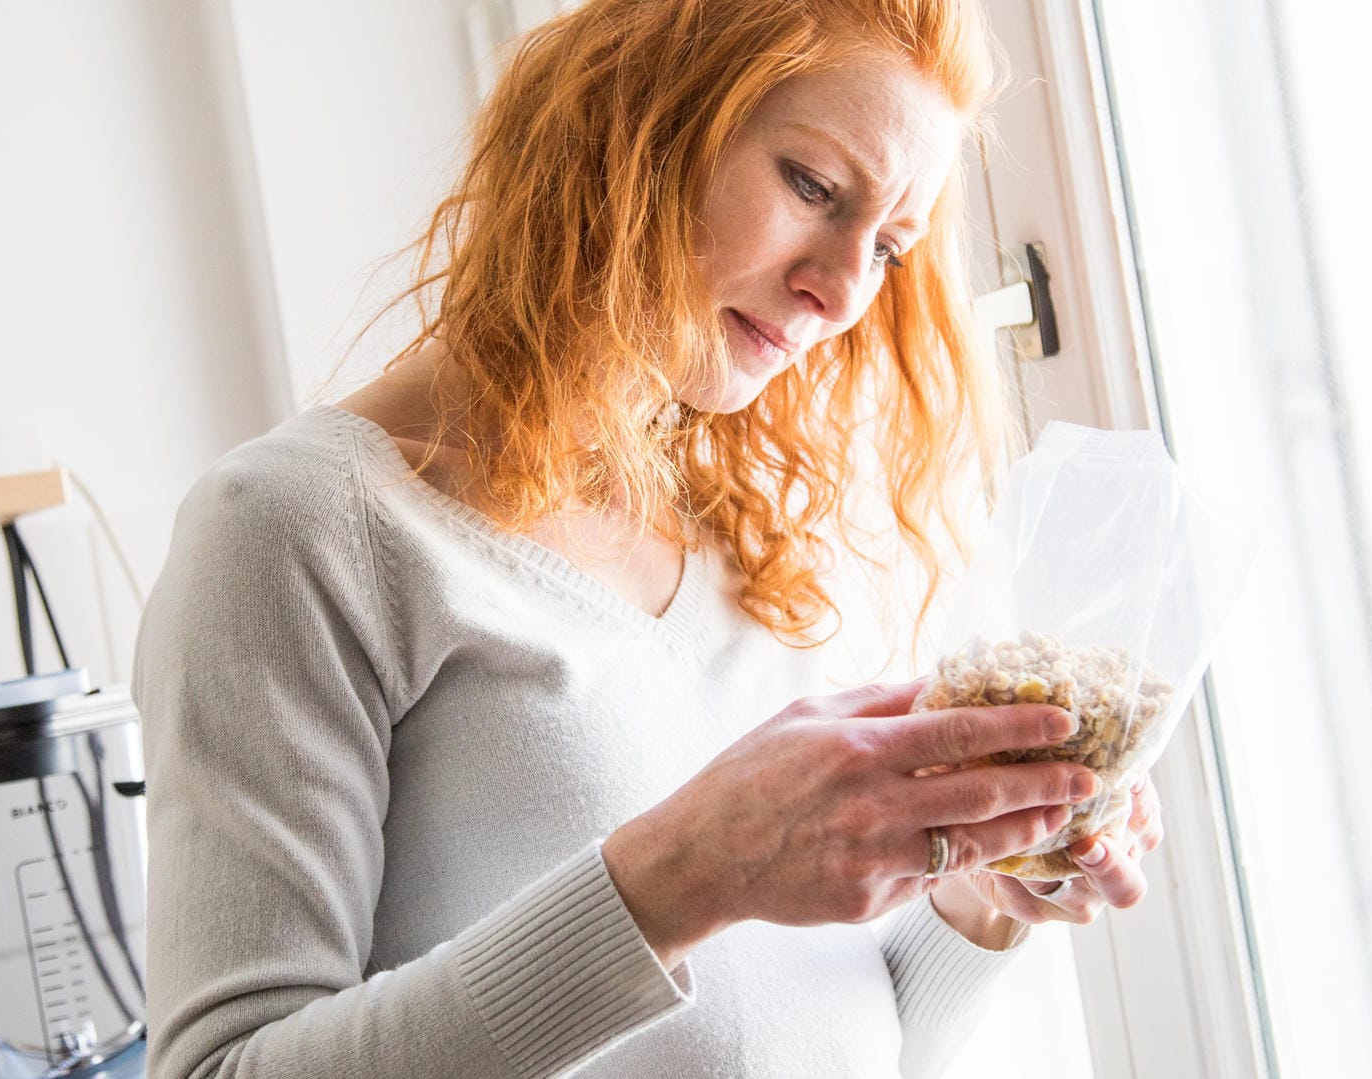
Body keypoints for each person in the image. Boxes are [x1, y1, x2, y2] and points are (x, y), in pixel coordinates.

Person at [133, 1, 1166, 1076]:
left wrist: (980, 895)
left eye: (892, 248)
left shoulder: (755, 533)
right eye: (812, 186)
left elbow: (814, 1040)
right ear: (640, 119)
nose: (845, 288)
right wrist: (687, 873)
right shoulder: (301, 529)